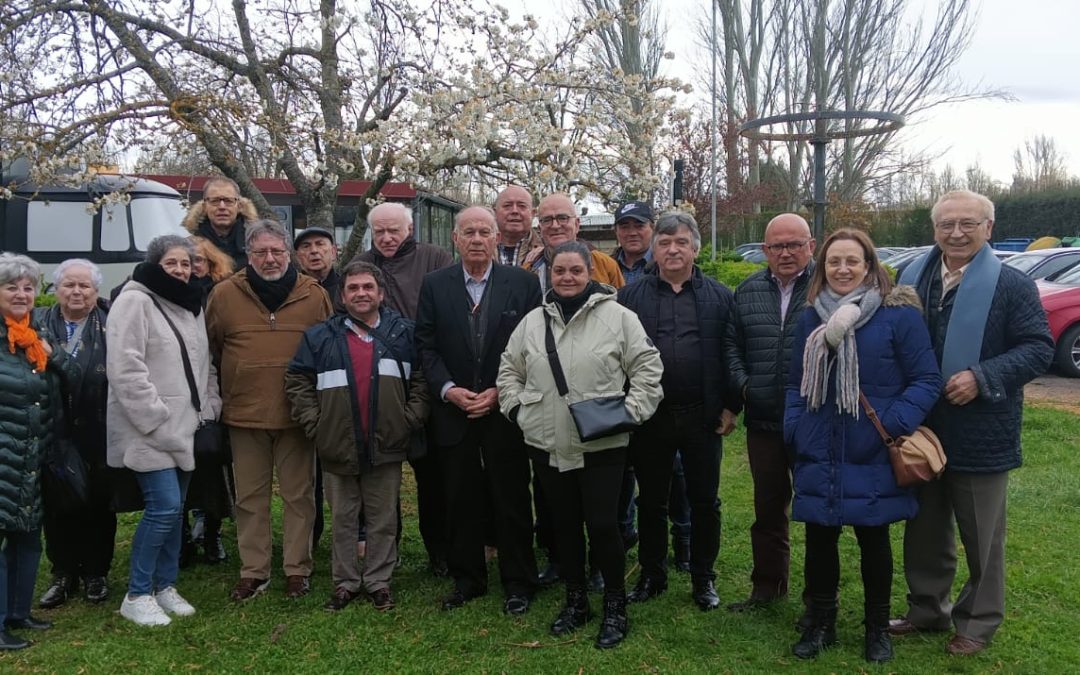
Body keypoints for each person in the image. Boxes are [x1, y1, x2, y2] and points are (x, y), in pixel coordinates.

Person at [890, 190, 1054, 656]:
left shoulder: (1011, 285)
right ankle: (926, 608)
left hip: (982, 430)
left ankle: (977, 623)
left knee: (981, 534)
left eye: (968, 223)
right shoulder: (911, 278)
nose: (956, 233)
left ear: (989, 228)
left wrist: (983, 377)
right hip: (923, 427)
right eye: (947, 225)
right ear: (934, 228)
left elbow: (1038, 347)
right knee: (924, 528)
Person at [784, 228, 942, 663]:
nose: (842, 269)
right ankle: (821, 623)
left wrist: (892, 424)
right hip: (820, 444)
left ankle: (877, 629)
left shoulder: (897, 316)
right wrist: (795, 426)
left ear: (870, 266)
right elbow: (796, 383)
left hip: (870, 446)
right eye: (834, 261)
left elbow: (927, 379)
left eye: (852, 261)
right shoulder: (810, 318)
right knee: (820, 540)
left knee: (874, 541)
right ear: (823, 267)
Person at [498, 240, 663, 648]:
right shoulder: (532, 322)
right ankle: (575, 602)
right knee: (565, 526)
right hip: (546, 442)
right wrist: (519, 411)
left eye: (575, 270)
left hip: (601, 444)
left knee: (605, 525)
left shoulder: (619, 318)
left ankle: (614, 604)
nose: (567, 278)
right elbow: (508, 371)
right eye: (559, 271)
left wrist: (632, 413)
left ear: (590, 272)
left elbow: (647, 368)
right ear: (549, 274)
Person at [414, 205, 541, 615]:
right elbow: (426, 346)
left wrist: (499, 392)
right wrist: (448, 390)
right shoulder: (434, 285)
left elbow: (532, 348)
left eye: (484, 231)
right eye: (468, 232)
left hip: (504, 409)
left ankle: (519, 581)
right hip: (454, 410)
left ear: (495, 237)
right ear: (455, 239)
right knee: (460, 498)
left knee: (511, 497)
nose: (476, 239)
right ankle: (467, 579)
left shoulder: (522, 284)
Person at [285, 261, 430, 612]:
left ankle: (379, 581)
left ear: (380, 293)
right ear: (343, 295)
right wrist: (314, 423)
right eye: (353, 288)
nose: (361, 293)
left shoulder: (404, 333)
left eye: (368, 287)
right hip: (337, 442)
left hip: (388, 442)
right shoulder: (320, 336)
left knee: (383, 518)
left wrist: (409, 419)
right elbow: (297, 381)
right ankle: (346, 582)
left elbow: (423, 380)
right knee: (344, 518)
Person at [618, 212, 739, 612]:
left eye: (681, 242)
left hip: (702, 416)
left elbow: (731, 356)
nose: (673, 249)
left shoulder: (720, 297)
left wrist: (730, 406)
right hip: (650, 418)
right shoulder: (629, 298)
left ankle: (703, 578)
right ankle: (652, 574)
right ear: (654, 248)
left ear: (695, 248)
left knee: (705, 501)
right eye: (665, 242)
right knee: (651, 501)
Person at [207, 219, 333, 601]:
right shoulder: (224, 294)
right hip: (244, 415)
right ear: (249, 255)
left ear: (289, 254)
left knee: (300, 496)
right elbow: (212, 349)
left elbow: (328, 351)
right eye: (261, 252)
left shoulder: (313, 295)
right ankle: (254, 571)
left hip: (297, 416)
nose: (269, 258)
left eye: (277, 251)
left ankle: (298, 569)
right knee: (250, 498)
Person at [106, 236, 221, 627]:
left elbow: (205, 365)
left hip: (187, 427)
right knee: (164, 508)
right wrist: (154, 418)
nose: (181, 270)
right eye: (172, 263)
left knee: (176, 513)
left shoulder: (191, 305)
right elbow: (126, 369)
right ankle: (137, 593)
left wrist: (209, 407)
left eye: (187, 264)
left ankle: (164, 585)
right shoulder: (135, 300)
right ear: (155, 264)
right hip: (149, 430)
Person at [356, 201, 454, 576]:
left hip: (427, 377)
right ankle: (385, 552)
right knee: (381, 474)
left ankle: (440, 551)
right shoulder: (364, 265)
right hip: (377, 384)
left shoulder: (435, 258)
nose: (386, 238)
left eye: (393, 230)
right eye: (379, 231)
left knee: (433, 475)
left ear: (409, 229)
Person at [725, 213, 816, 613]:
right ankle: (767, 586)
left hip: (814, 418)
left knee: (815, 507)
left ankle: (818, 593)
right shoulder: (747, 291)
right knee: (768, 508)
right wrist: (746, 386)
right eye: (777, 246)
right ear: (764, 250)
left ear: (810, 245)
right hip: (764, 420)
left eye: (794, 244)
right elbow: (731, 347)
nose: (785, 253)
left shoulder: (826, 287)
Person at [36, 259, 115, 609]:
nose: (77, 291)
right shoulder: (38, 324)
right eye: (69, 285)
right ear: (57, 289)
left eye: (85, 286)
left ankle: (97, 573)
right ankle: (63, 573)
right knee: (58, 502)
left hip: (99, 427)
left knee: (99, 502)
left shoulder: (111, 324)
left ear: (96, 291)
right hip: (53, 428)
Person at [0, 253, 70, 649]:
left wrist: (52, 351)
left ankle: (17, 612)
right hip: (4, 455)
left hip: (30, 457)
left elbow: (70, 379)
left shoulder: (33, 339)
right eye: (12, 287)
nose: (22, 294)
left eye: (28, 287)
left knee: (27, 538)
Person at [181, 236, 236, 567]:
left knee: (211, 464)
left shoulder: (219, 295)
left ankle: (212, 531)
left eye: (197, 260)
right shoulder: (164, 296)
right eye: (184, 260)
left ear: (211, 263)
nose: (190, 267)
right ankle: (183, 537)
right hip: (174, 396)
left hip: (212, 388)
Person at [524, 193, 624, 292]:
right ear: (539, 229)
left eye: (563, 218)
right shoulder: (529, 268)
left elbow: (622, 304)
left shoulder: (604, 265)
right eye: (547, 220)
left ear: (576, 224)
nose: (555, 226)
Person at [182, 176, 257, 269]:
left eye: (228, 201)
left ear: (239, 206)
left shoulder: (256, 243)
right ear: (205, 206)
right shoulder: (189, 247)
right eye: (215, 201)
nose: (222, 207)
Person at [294, 226, 343, 311]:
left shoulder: (346, 289)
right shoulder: (291, 292)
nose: (314, 250)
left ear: (333, 252)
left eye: (320, 244)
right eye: (306, 246)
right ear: (297, 256)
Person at [494, 185, 543, 266]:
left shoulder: (546, 253)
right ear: (495, 213)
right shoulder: (480, 249)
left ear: (533, 213)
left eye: (522, 206)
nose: (514, 211)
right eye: (507, 206)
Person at [611, 200, 655, 284]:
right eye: (625, 227)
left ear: (653, 228)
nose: (632, 233)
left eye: (639, 226)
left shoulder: (665, 265)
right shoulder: (605, 267)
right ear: (616, 231)